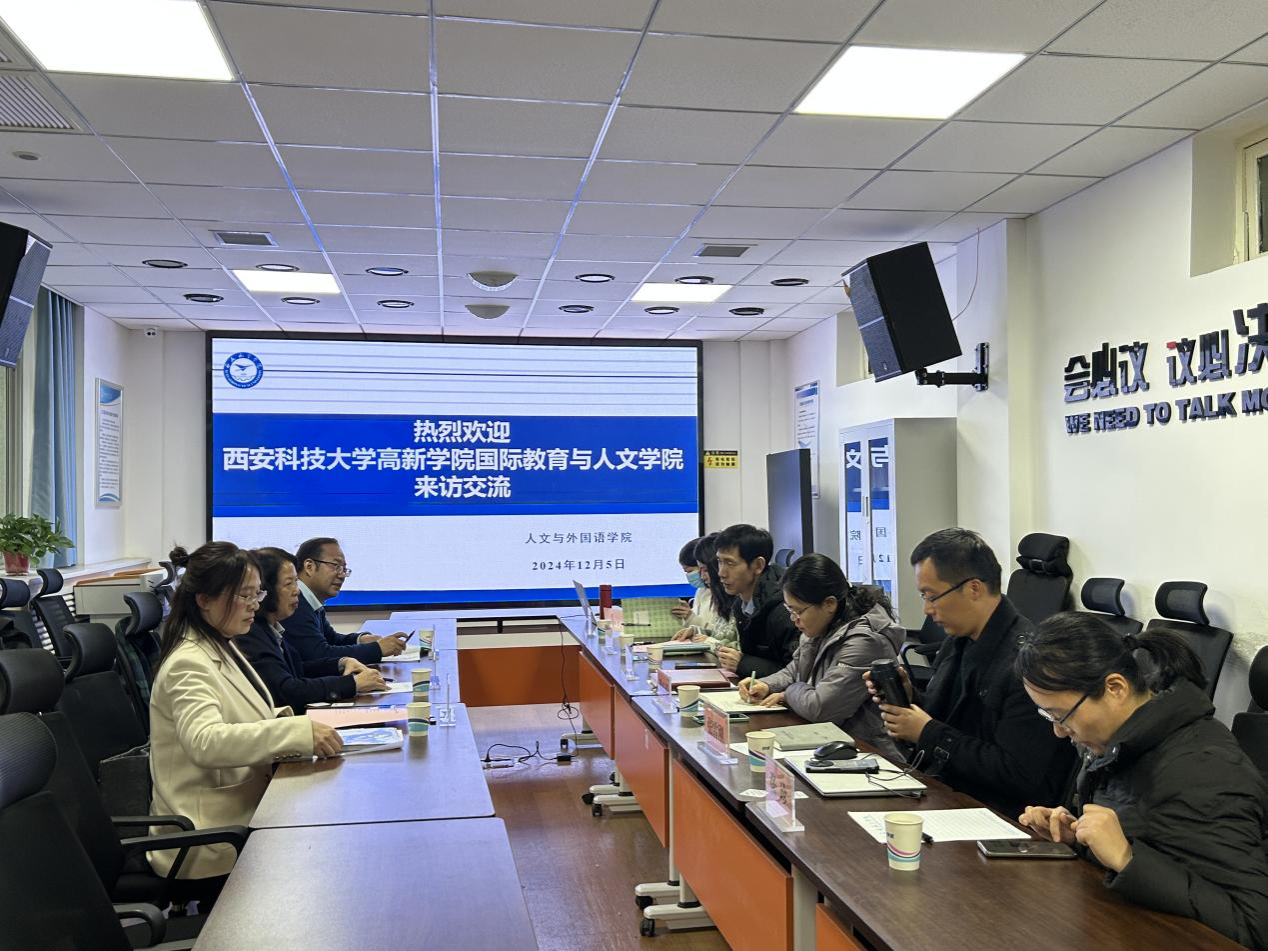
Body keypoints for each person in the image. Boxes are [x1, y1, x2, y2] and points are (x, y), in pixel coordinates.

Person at [1016, 614, 1268, 949]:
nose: (1059, 731)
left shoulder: (1200, 772)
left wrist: (1127, 858)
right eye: (1048, 715)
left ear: (1115, 688)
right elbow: (1157, 840)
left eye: (1062, 715)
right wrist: (1079, 837)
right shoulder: (1120, 743)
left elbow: (1254, 925)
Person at [148, 542, 342, 886]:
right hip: (209, 838)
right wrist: (296, 733)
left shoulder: (222, 643)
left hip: (243, 815)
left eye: (258, 594)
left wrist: (291, 724)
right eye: (244, 596)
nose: (255, 605)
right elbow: (205, 742)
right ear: (204, 599)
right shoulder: (188, 663)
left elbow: (242, 714)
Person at [870, 527, 1075, 817]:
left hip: (997, 813)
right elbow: (953, 720)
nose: (927, 609)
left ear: (973, 588)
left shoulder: (1029, 663)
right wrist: (909, 698)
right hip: (946, 792)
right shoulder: (959, 641)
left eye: (931, 596)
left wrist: (927, 732)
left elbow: (1019, 774)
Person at [740, 553, 904, 760]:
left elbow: (821, 708)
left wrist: (787, 693)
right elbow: (795, 668)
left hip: (868, 753)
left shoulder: (865, 641)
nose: (794, 619)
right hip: (827, 740)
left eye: (798, 611)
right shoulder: (823, 625)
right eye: (790, 609)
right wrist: (766, 685)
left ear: (829, 604)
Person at [238, 547, 386, 715]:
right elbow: (287, 690)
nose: (297, 590)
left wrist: (341, 663)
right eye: (289, 583)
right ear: (266, 590)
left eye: (296, 582)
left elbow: (296, 669)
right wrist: (353, 684)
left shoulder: (270, 628)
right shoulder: (250, 634)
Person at [283, 537, 407, 665]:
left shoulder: (310, 601)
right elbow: (320, 655)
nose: (342, 575)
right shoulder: (294, 604)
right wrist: (377, 649)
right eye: (336, 566)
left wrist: (361, 640)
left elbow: (331, 639)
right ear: (309, 567)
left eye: (344, 569)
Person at [714, 524, 798, 677]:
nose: (721, 573)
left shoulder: (785, 609)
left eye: (730, 563)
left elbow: (797, 672)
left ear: (758, 565)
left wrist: (743, 664)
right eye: (719, 561)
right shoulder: (740, 604)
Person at [671, 533, 739, 651]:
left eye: (705, 570)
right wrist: (696, 630)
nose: (702, 576)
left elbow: (736, 646)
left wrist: (709, 641)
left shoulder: (736, 597)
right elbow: (720, 634)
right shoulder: (703, 592)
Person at [670, 537, 706, 625]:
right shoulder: (701, 591)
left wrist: (691, 618)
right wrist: (687, 615)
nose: (703, 575)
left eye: (690, 571)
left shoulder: (724, 595)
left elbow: (718, 631)